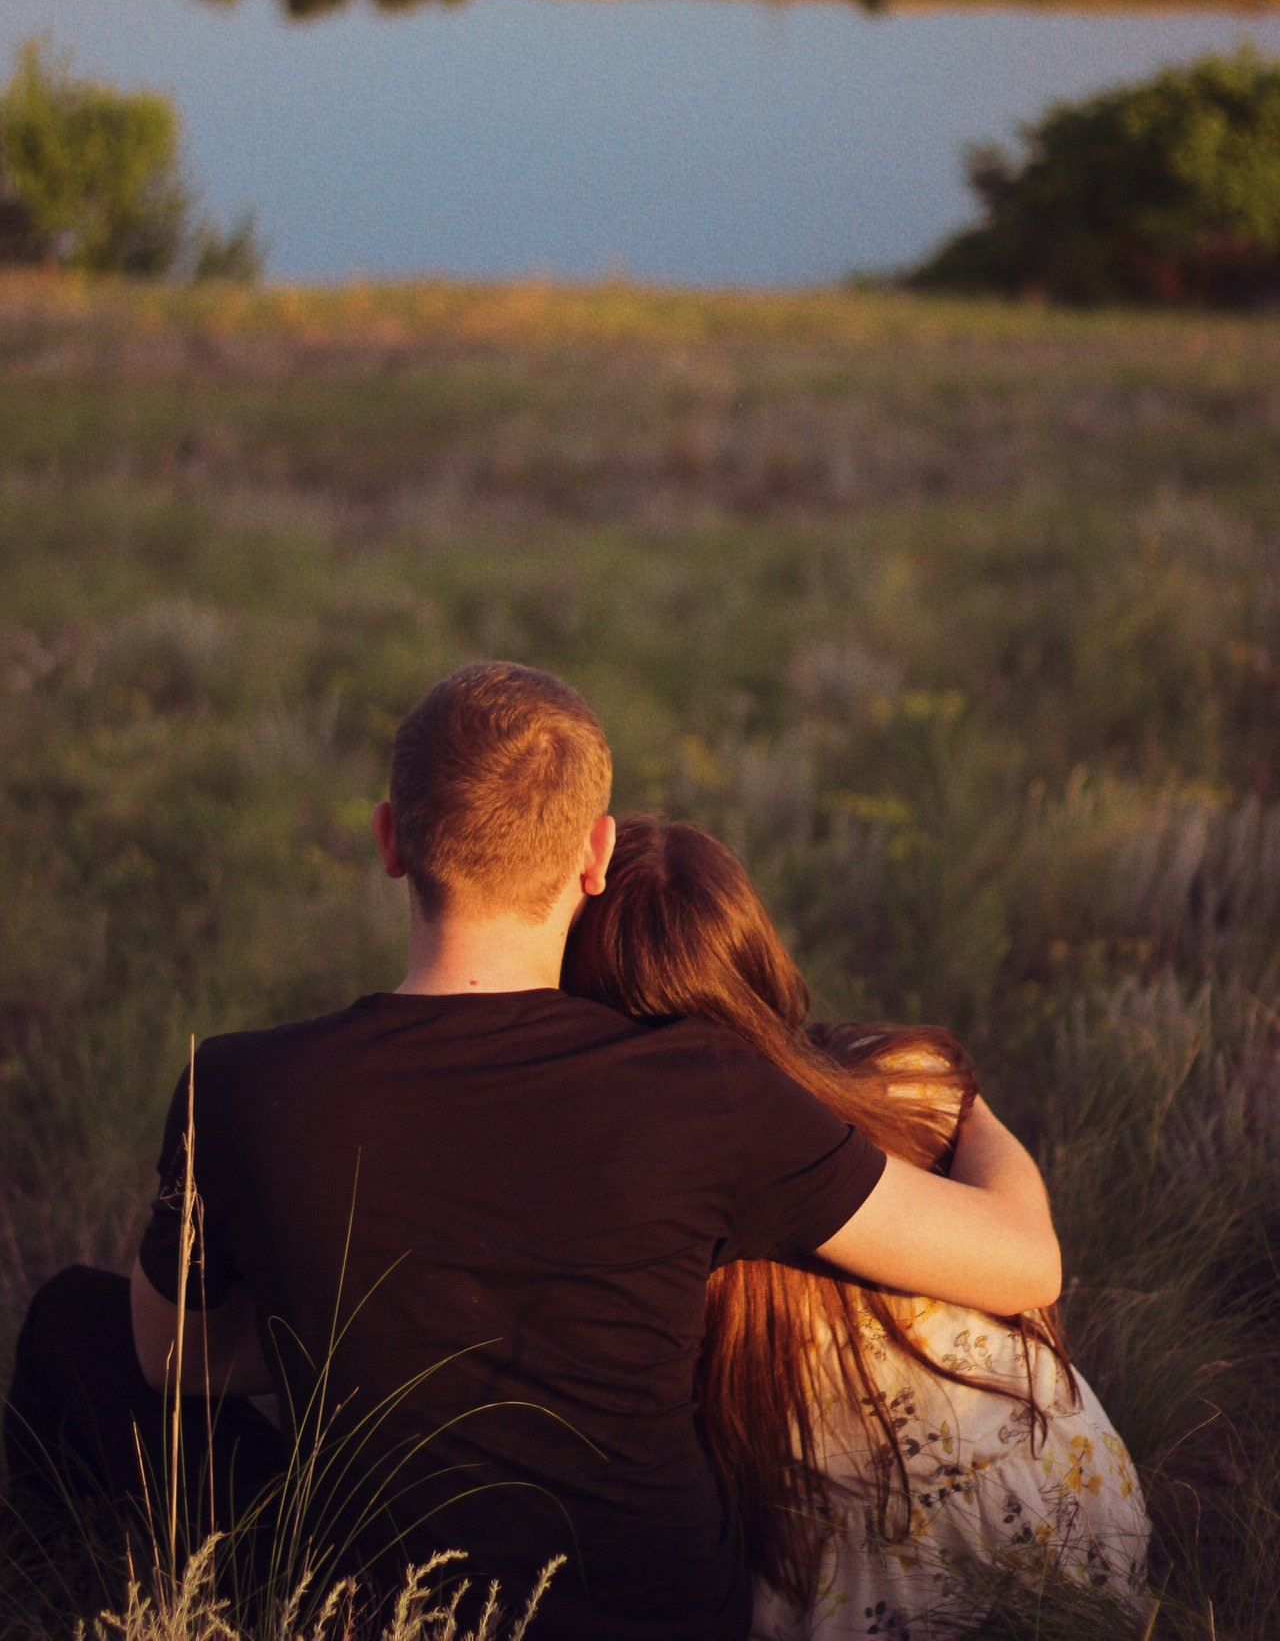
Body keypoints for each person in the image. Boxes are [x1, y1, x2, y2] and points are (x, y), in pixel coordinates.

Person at [6, 663, 1061, 1641]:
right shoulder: (704, 1092)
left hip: (372, 1611)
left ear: (388, 840)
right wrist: (949, 1094)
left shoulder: (235, 1087)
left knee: (70, 1324)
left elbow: (172, 1360)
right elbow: (1023, 1264)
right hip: (664, 1620)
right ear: (595, 854)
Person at [562, 815, 1151, 1641]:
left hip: (855, 1600)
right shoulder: (899, 1081)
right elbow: (1034, 1253)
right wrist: (954, 1095)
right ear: (754, 955)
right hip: (1075, 1526)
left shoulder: (640, 1206)